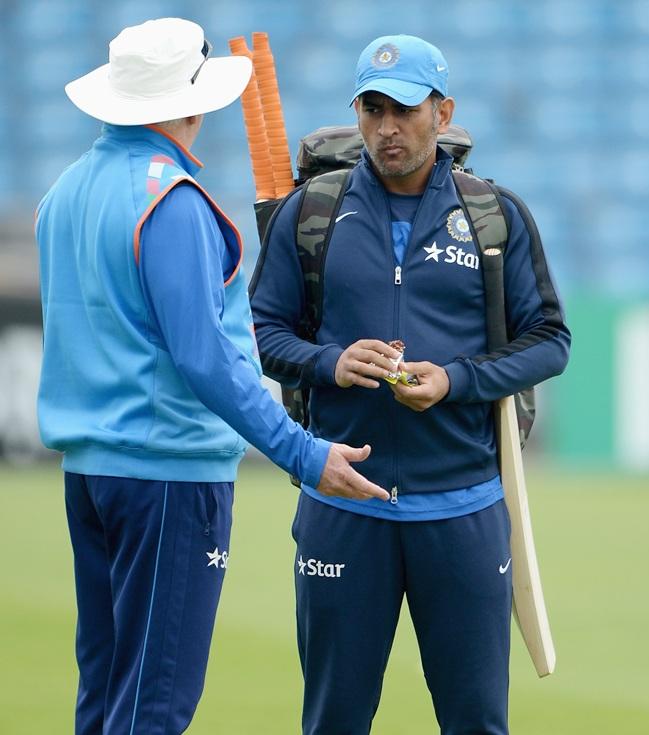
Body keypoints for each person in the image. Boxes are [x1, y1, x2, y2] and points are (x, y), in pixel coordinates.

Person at [35, 18, 389, 735]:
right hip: (166, 476)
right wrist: (302, 451)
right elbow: (207, 358)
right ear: (191, 104)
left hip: (91, 471)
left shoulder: (65, 191)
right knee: (154, 704)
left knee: (105, 697)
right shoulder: (172, 201)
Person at [250, 34, 571, 735]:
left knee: (477, 721)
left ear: (443, 110)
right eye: (371, 109)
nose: (386, 128)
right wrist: (330, 361)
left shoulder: (495, 215)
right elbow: (264, 333)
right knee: (332, 720)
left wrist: (455, 380)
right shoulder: (313, 212)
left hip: (462, 510)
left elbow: (550, 340)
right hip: (342, 505)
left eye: (403, 109)